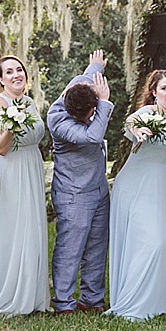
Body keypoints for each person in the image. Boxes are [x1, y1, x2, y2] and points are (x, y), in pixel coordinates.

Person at [105, 69, 166, 321]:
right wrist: (138, 131)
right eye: (164, 88)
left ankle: (165, 299)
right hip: (136, 186)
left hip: (161, 188)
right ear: (153, 93)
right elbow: (131, 121)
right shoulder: (148, 114)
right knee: (151, 243)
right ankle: (136, 301)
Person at [0, 55, 50, 315]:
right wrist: (12, 124)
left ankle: (33, 294)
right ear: (0, 79)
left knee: (32, 226)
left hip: (31, 165)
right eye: (9, 72)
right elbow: (0, 147)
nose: (16, 75)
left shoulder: (29, 102)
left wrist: (22, 114)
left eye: (19, 70)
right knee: (14, 226)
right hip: (11, 170)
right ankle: (9, 293)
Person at [46, 50, 114, 315]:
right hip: (73, 193)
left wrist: (97, 63)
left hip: (97, 187)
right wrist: (105, 104)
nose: (90, 119)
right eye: (87, 117)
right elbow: (93, 137)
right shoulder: (58, 121)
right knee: (70, 248)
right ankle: (63, 302)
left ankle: (92, 298)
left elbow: (90, 75)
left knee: (97, 246)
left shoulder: (81, 87)